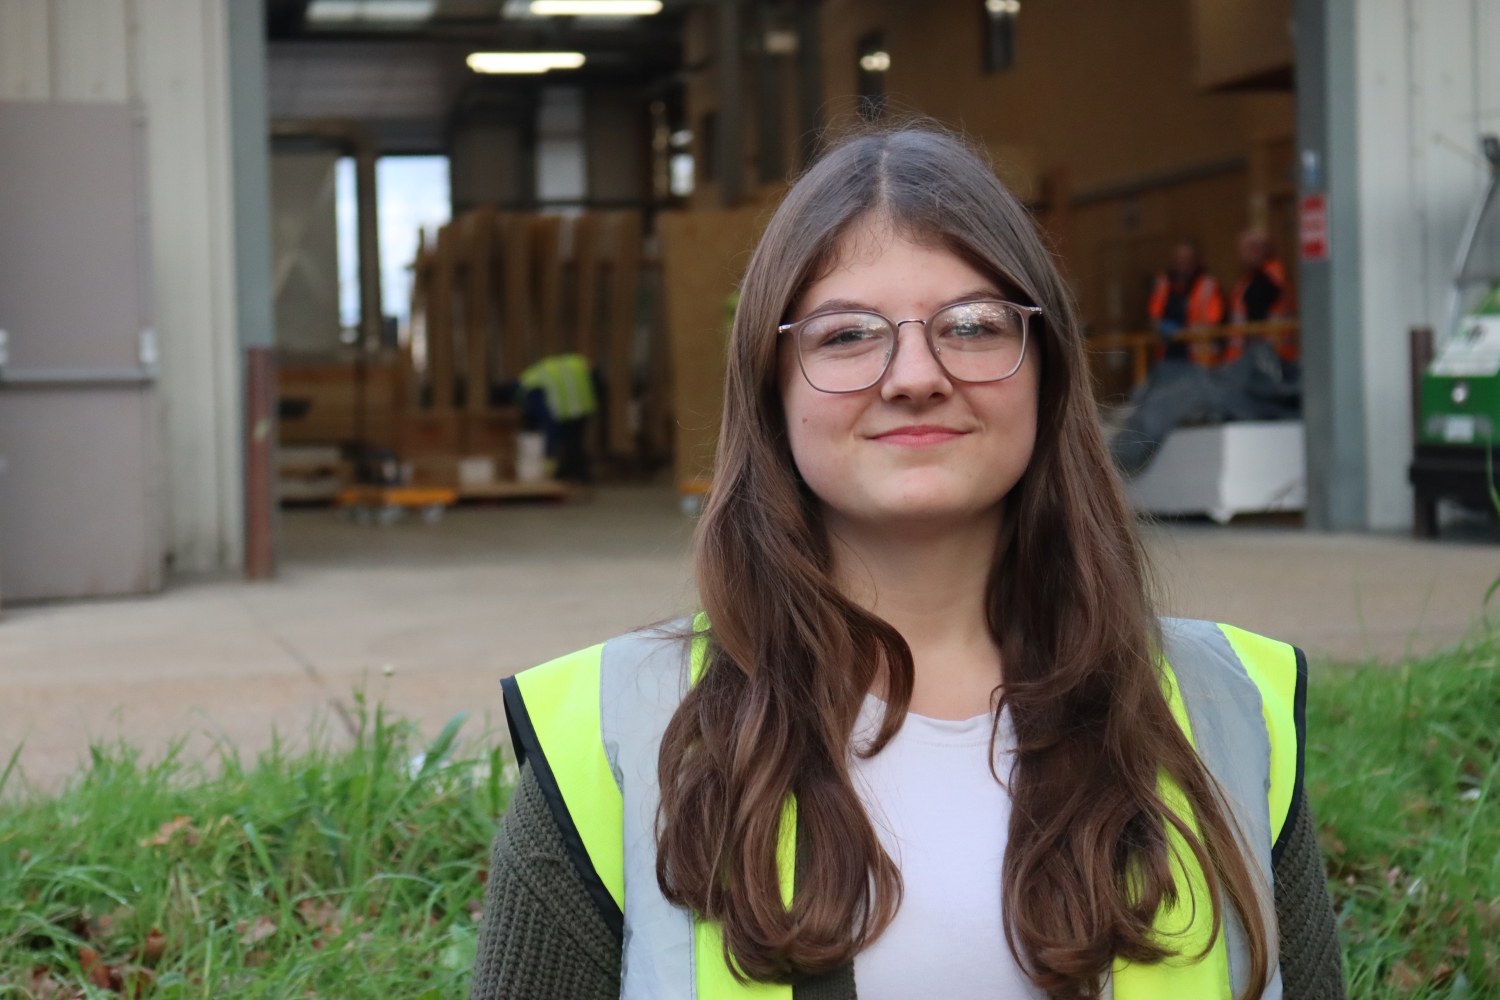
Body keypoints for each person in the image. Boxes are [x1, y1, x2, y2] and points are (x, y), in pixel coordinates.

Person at [471, 128, 1344, 1000]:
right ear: (773, 388)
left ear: (1046, 369)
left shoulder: (1230, 707)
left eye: (971, 326)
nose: (915, 375)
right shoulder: (612, 734)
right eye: (848, 334)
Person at [518, 352, 596, 483]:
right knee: (573, 443)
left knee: (568, 442)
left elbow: (547, 424)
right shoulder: (575, 363)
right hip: (581, 407)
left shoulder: (531, 382)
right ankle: (570, 473)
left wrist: (546, 460)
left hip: (568, 409)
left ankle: (559, 473)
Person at [1223, 229, 1296, 364]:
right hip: (1267, 358)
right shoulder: (1260, 278)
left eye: (1246, 250)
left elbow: (1254, 325)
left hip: (1266, 360)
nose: (1241, 255)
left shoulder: (1266, 280)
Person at [1147, 240, 1224, 365]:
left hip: (1199, 360)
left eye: (1187, 260)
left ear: (1196, 261)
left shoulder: (1208, 286)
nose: (1183, 265)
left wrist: (1183, 332)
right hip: (1169, 358)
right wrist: (1162, 327)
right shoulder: (1163, 284)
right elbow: (1153, 319)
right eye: (1179, 260)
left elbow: (1213, 323)